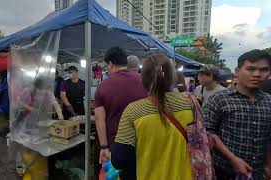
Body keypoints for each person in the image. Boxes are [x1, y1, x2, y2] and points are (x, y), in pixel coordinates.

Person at [111, 53, 195, 180]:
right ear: (173, 78)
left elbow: (119, 160)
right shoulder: (191, 106)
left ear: (143, 78)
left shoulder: (133, 111)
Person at [204, 49, 271, 180]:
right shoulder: (219, 99)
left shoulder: (269, 101)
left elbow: (269, 136)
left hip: (258, 173)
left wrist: (269, 164)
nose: (257, 74)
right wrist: (232, 159)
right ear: (237, 71)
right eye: (250, 69)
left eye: (264, 70)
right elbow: (207, 132)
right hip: (224, 171)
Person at [94, 47, 147, 165]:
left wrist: (104, 147)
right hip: (144, 142)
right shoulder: (145, 82)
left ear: (110, 64)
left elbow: (99, 119)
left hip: (116, 145)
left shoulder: (103, 86)